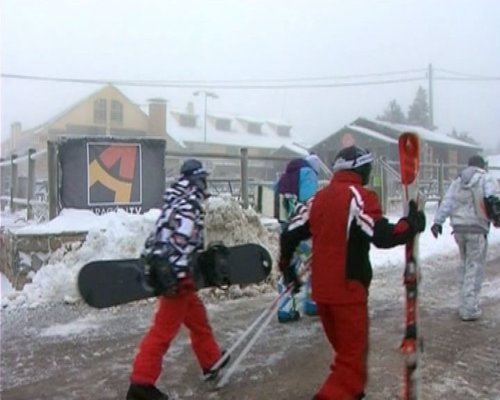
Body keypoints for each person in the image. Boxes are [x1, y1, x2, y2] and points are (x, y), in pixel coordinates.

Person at [278, 145, 426, 400]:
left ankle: (352, 393)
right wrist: (411, 224)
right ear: (362, 169)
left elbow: (289, 234)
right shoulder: (359, 197)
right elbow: (382, 235)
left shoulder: (317, 199)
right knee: (351, 365)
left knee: (345, 356)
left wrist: (287, 269)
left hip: (322, 295)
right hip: (348, 293)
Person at [126, 159, 227, 400]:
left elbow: (158, 237)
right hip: (177, 278)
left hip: (171, 273)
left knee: (198, 320)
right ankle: (141, 384)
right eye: (203, 179)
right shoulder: (189, 204)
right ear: (197, 180)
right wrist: (178, 278)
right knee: (162, 332)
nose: (205, 184)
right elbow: (180, 242)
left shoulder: (175, 200)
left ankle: (211, 360)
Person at [430, 155, 500, 321]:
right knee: (474, 267)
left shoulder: (458, 180)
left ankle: (462, 304)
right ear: (482, 166)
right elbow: (492, 200)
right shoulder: (485, 178)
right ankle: (469, 308)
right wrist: (497, 218)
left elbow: (447, 202)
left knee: (464, 264)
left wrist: (438, 222)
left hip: (458, 229)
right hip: (477, 228)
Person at [275, 154, 321, 322]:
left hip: (287, 230)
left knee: (289, 268)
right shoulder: (308, 174)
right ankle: (312, 303)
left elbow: (276, 204)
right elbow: (310, 203)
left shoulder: (284, 178)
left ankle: (286, 310)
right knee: (314, 264)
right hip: (302, 230)